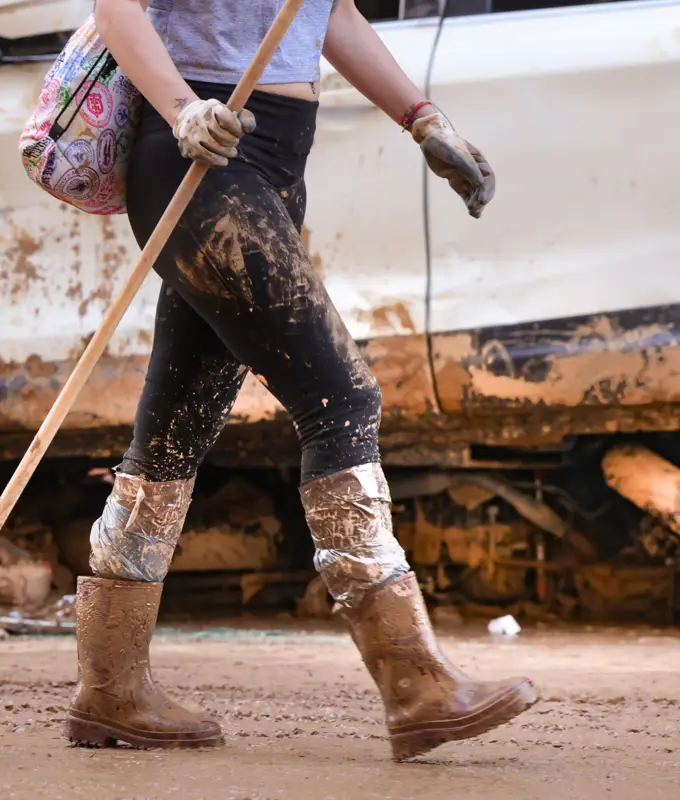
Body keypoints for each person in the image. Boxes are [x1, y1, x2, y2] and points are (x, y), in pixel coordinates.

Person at [64, 0, 536, 761]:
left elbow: (332, 11)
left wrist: (421, 118)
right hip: (199, 152)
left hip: (277, 157)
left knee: (177, 428)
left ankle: (111, 688)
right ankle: (415, 683)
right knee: (340, 397)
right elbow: (116, 6)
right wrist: (184, 111)